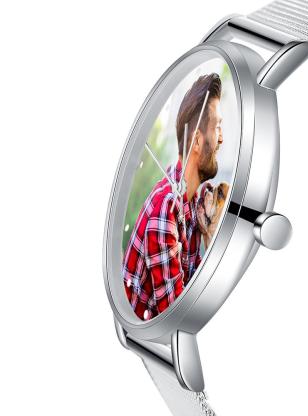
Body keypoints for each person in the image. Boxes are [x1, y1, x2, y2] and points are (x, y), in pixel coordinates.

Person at [122, 73, 224, 320]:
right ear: (197, 141)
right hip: (143, 332)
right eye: (217, 128)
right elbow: (177, 316)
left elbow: (195, 287)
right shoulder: (165, 210)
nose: (222, 138)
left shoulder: (194, 202)